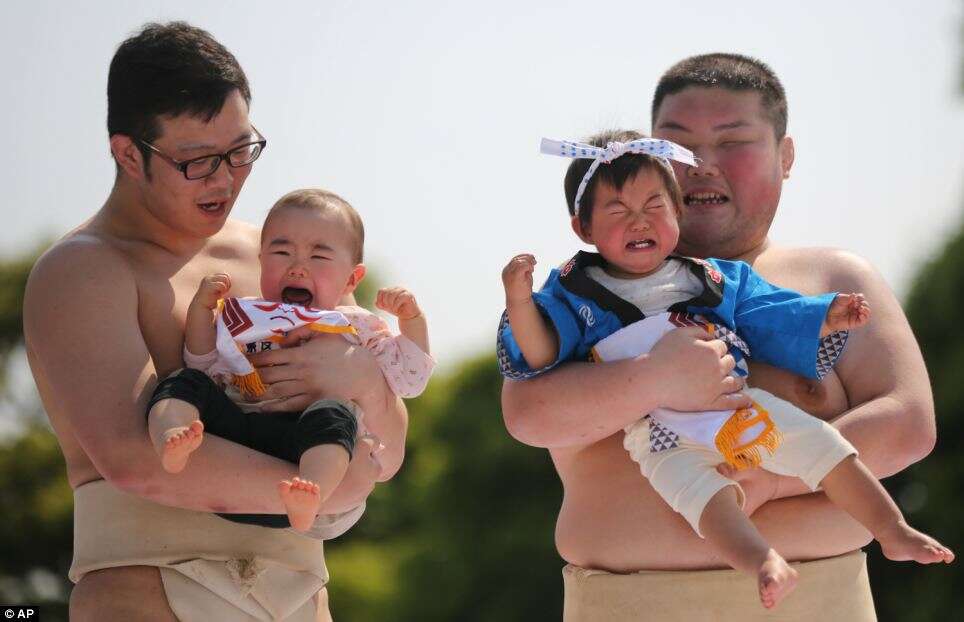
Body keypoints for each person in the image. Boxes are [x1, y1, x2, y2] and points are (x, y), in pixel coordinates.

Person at [500, 54, 938, 621]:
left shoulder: (834, 280)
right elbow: (529, 416)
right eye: (676, 145)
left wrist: (766, 479)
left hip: (819, 600)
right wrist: (653, 377)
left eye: (732, 141)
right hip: (628, 601)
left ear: (785, 157)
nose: (701, 164)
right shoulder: (577, 294)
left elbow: (909, 422)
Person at [23, 22, 406, 621]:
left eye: (240, 151)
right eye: (199, 161)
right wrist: (334, 485)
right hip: (147, 589)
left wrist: (362, 384)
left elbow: (391, 438)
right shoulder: (83, 270)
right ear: (128, 153)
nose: (227, 179)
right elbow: (133, 458)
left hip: (303, 597)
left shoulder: (280, 255)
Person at [149, 188, 433, 531]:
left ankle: (311, 494)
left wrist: (412, 321)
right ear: (261, 260)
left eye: (319, 257)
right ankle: (172, 438)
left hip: (300, 449)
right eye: (282, 252)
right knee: (183, 382)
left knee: (334, 416)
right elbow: (203, 363)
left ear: (351, 278)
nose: (298, 267)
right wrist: (201, 312)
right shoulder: (243, 314)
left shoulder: (355, 324)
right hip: (232, 442)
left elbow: (411, 379)